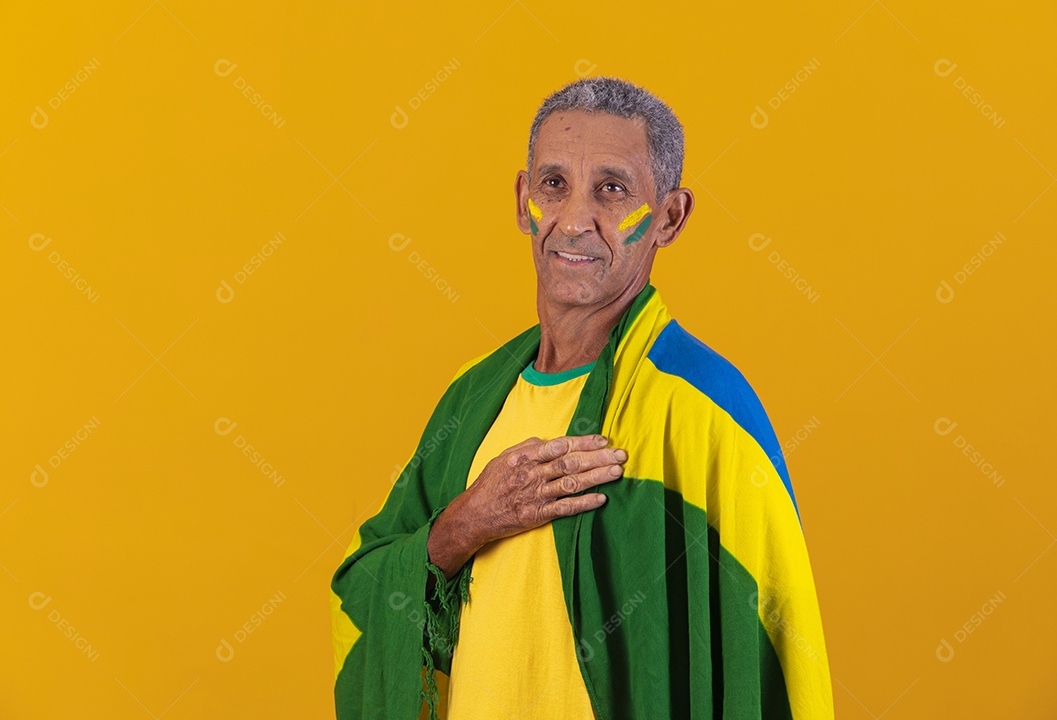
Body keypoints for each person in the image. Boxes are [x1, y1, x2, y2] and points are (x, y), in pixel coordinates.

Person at [330, 76, 834, 720]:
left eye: (612, 190)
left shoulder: (706, 407)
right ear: (522, 200)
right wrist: (465, 525)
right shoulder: (473, 395)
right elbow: (364, 590)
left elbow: (769, 646)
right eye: (554, 183)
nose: (574, 219)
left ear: (671, 218)